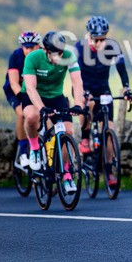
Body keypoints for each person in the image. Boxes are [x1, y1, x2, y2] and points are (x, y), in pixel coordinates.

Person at [20, 31, 86, 194]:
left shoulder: (69, 56)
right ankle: (35, 149)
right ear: (45, 50)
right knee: (32, 116)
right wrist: (41, 108)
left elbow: (77, 82)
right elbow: (30, 88)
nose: (58, 58)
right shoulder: (33, 58)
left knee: (68, 131)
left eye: (60, 53)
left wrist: (78, 104)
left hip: (56, 97)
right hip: (33, 96)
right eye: (54, 54)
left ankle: (67, 175)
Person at [74, 16, 132, 187]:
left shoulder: (112, 46)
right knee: (89, 105)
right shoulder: (80, 47)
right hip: (84, 87)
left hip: (102, 88)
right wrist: (83, 93)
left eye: (102, 39)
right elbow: (76, 75)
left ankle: (109, 170)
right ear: (89, 36)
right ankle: (85, 138)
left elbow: (121, 69)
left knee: (109, 131)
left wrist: (126, 88)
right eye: (96, 39)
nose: (99, 43)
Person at [4, 31, 42, 170]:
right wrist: (23, 97)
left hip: (35, 89)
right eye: (26, 47)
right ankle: (23, 151)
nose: (29, 50)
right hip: (17, 91)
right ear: (22, 47)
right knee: (22, 113)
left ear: (38, 46)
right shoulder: (15, 57)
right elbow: (14, 83)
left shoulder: (43, 55)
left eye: (32, 47)